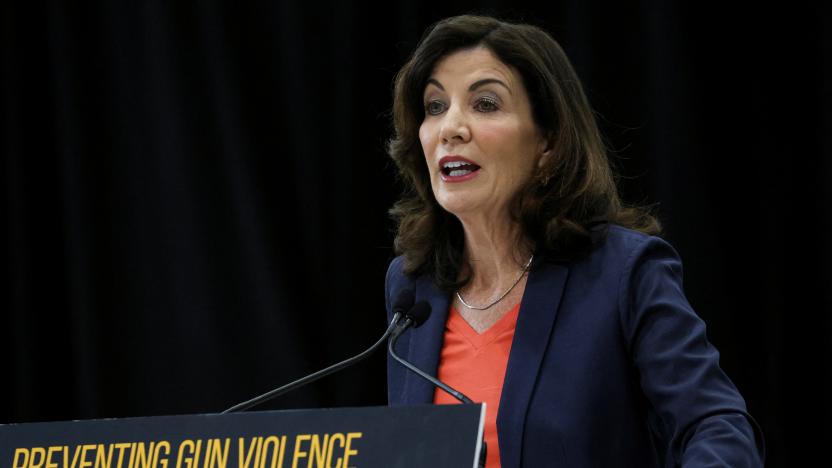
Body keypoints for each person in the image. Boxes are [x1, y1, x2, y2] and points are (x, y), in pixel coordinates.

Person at [383, 14, 765, 468]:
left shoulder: (623, 273)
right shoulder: (413, 289)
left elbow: (718, 428)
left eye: (485, 104)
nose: (451, 127)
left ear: (548, 143)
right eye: (434, 106)